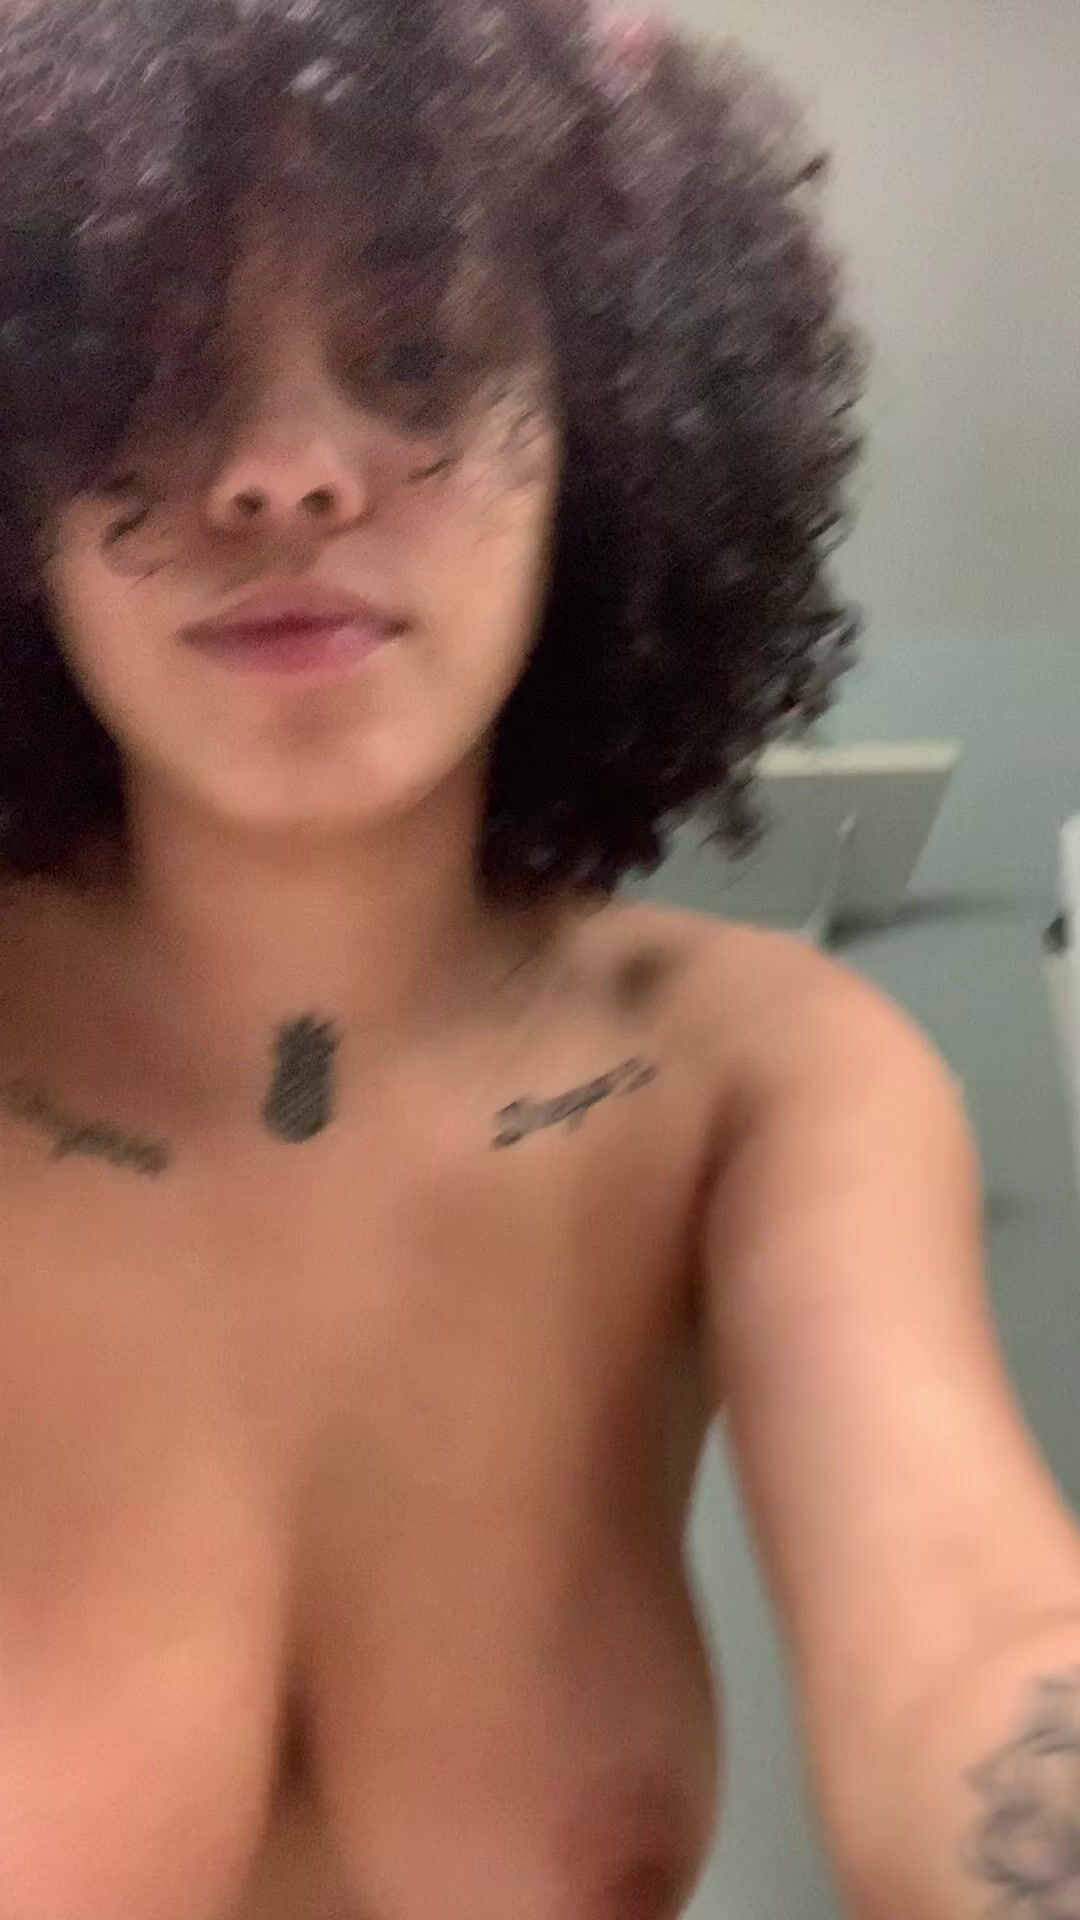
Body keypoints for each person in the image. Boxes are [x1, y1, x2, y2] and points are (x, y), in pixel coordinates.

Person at [0, 1, 1078, 1916]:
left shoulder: (761, 1076)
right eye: (145, 374)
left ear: (609, 439)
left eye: (416, 356)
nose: (282, 472)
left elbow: (972, 1643)